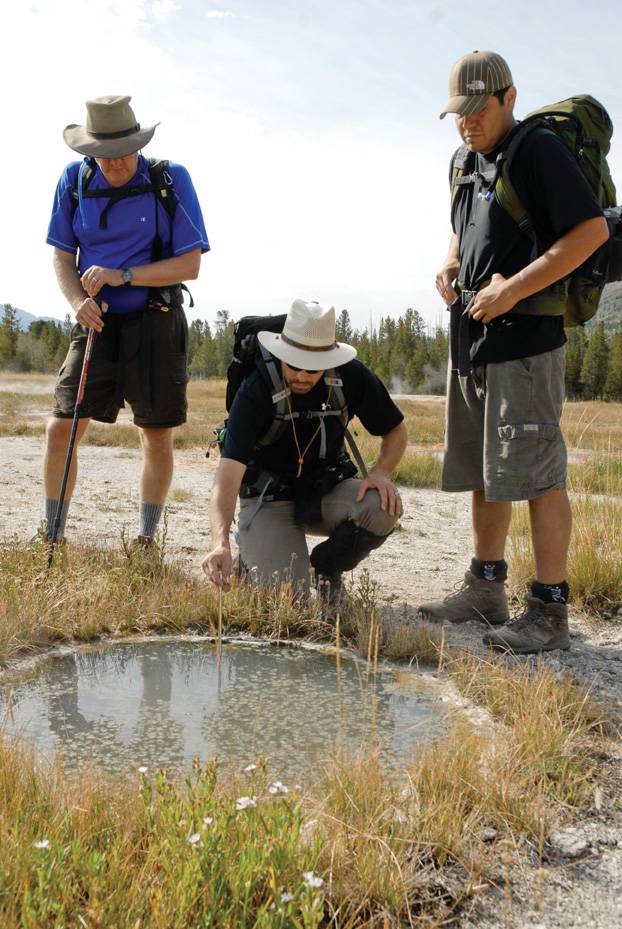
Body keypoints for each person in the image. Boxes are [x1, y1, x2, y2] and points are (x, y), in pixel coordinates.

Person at [417, 51, 609, 653]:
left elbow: (591, 232)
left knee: (539, 477)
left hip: (526, 340)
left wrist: (511, 290)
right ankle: (485, 589)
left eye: (478, 109)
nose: (467, 121)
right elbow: (463, 225)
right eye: (458, 112)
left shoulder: (537, 150)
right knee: (484, 469)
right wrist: (450, 263)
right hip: (473, 337)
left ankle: (550, 613)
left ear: (509, 97)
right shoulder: (463, 160)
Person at [43, 96, 209, 545]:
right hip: (95, 322)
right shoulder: (74, 180)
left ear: (139, 143)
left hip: (156, 319)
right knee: (62, 427)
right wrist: (77, 301)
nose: (114, 165)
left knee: (155, 435)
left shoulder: (169, 179)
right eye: (104, 156)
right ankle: (52, 534)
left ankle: (144, 541)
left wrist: (124, 275)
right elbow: (62, 254)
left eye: (123, 153)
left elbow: (189, 264)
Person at [202, 300, 407, 611]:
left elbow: (395, 430)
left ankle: (326, 568)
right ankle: (252, 555)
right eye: (293, 364)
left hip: (325, 491)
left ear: (329, 359)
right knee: (290, 603)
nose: (301, 375)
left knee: (383, 506)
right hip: (268, 498)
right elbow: (226, 479)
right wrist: (220, 543)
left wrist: (380, 473)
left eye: (311, 369)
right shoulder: (256, 389)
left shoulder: (351, 376)